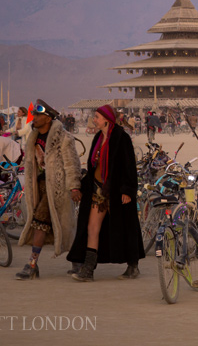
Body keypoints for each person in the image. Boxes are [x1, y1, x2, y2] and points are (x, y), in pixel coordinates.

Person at [68, 104, 144, 281]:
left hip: (117, 190)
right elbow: (93, 165)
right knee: (92, 227)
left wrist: (128, 190)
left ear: (106, 120)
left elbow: (129, 166)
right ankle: (88, 270)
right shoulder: (97, 138)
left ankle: (133, 266)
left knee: (126, 227)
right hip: (97, 190)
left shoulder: (121, 138)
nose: (94, 120)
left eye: (97, 117)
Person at [16, 99, 82, 279]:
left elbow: (72, 163)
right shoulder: (33, 137)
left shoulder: (63, 137)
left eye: (38, 115)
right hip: (39, 187)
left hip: (58, 187)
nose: (34, 118)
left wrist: (75, 186)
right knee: (59, 224)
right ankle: (77, 262)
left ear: (47, 118)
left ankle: (31, 265)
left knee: (42, 221)